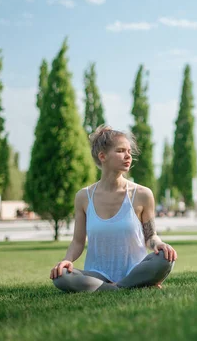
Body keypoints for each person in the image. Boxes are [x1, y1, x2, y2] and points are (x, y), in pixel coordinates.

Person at [50, 125, 177, 292]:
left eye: (129, 151)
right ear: (102, 156)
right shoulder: (83, 197)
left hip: (136, 270)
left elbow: (150, 236)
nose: (128, 156)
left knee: (164, 259)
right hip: (97, 274)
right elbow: (78, 241)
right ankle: (130, 286)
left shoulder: (142, 194)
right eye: (121, 151)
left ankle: (115, 286)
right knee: (61, 276)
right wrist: (67, 261)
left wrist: (159, 244)